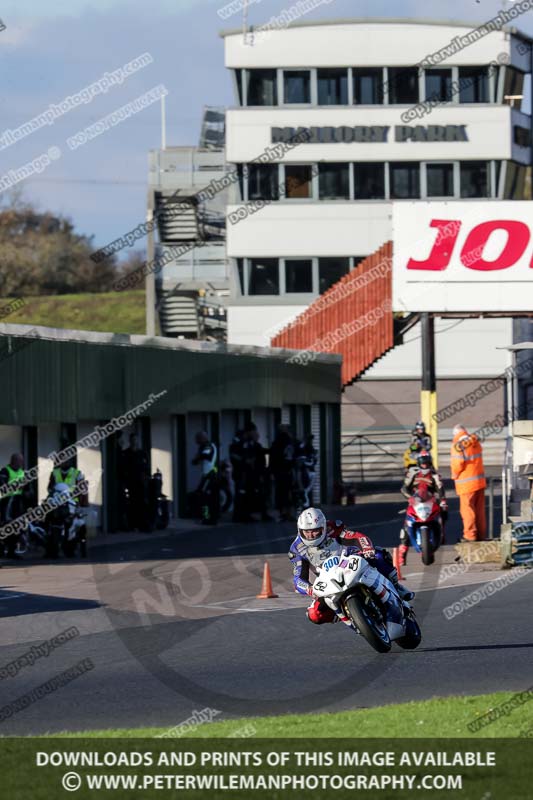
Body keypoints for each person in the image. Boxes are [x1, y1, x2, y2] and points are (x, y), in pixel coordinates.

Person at [288, 507, 414, 627]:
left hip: (351, 561)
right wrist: (309, 589)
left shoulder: (333, 528)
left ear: (324, 527)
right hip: (329, 578)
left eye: (316, 531)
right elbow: (298, 579)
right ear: (300, 530)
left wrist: (367, 550)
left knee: (380, 555)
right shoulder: (297, 549)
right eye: (307, 532)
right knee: (314, 614)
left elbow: (357, 537)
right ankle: (350, 616)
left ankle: (397, 587)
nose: (311, 535)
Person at [450, 424, 486, 542]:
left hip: (466, 485)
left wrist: (454, 475)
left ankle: (470, 536)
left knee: (467, 510)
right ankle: (481, 535)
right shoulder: (475, 441)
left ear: (455, 434)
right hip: (479, 482)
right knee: (479, 510)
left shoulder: (458, 445)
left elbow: (457, 465)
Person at [48, 455, 88, 556]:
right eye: (61, 460)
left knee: (74, 525)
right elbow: (50, 488)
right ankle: (50, 547)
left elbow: (83, 489)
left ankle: (72, 547)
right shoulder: (54, 473)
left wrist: (82, 503)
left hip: (72, 503)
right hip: (57, 504)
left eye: (66, 460)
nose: (63, 462)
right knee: (50, 521)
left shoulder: (77, 473)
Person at [0, 453, 30, 559]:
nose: (20, 463)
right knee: (5, 524)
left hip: (19, 502)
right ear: (12, 461)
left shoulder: (23, 473)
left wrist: (28, 492)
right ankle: (2, 549)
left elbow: (27, 488)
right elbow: (3, 485)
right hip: (7, 502)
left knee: (17, 527)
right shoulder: (5, 471)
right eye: (18, 461)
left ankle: (11, 551)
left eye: (21, 461)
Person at [122, 433, 150, 531]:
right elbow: (123, 468)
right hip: (131, 482)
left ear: (138, 441)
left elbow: (146, 467)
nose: (134, 441)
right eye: (133, 439)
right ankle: (132, 525)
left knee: (142, 503)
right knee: (132, 503)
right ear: (130, 441)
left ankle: (142, 524)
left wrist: (145, 477)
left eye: (136, 439)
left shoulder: (142, 453)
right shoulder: (126, 453)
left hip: (141, 482)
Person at [191, 431, 218, 525]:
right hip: (207, 474)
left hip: (210, 475)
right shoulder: (204, 446)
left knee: (204, 496)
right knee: (203, 495)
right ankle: (208, 517)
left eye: (197, 439)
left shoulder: (208, 445)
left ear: (202, 438)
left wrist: (197, 457)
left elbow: (204, 455)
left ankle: (207, 517)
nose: (196, 441)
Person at [270, 425, 296, 522]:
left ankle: (282, 512)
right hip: (286, 470)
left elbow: (273, 457)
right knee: (287, 492)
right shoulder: (289, 442)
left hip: (279, 471)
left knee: (280, 492)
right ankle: (287, 512)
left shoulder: (276, 443)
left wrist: (272, 471)